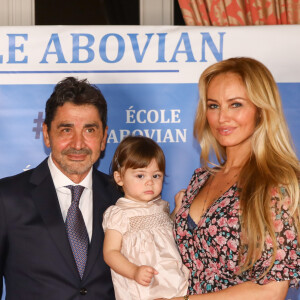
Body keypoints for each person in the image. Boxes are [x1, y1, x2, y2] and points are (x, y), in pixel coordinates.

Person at [156, 57, 300, 300]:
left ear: (261, 111)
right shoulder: (200, 179)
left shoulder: (279, 182)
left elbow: (272, 290)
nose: (222, 117)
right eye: (214, 106)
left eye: (235, 104)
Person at [0, 77, 121, 299]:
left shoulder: (121, 197)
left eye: (90, 130)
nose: (78, 143)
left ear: (104, 138)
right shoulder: (6, 198)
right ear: (46, 134)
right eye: (66, 130)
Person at [102, 135, 189, 300]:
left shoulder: (161, 206)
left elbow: (167, 230)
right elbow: (110, 252)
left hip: (173, 285)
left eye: (156, 176)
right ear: (119, 178)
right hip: (142, 288)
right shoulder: (119, 213)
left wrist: (178, 209)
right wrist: (133, 271)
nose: (149, 182)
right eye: (140, 176)